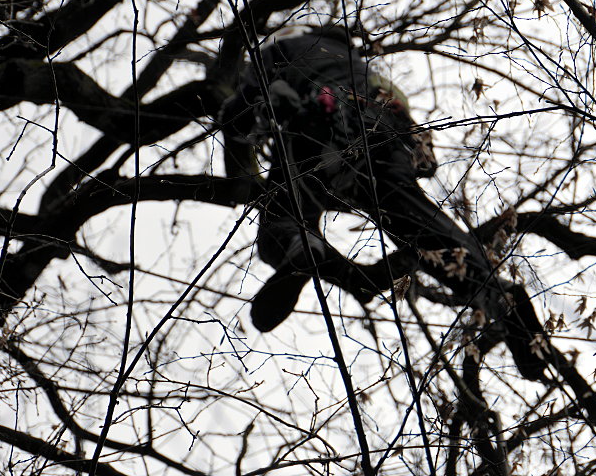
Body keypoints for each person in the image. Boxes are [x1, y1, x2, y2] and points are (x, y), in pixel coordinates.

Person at [222, 26, 548, 381]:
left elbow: (236, 110)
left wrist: (243, 176)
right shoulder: (361, 67)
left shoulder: (280, 51)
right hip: (383, 133)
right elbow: (412, 135)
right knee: (420, 229)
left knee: (279, 224)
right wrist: (416, 155)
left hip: (317, 126)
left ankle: (302, 247)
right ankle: (498, 296)